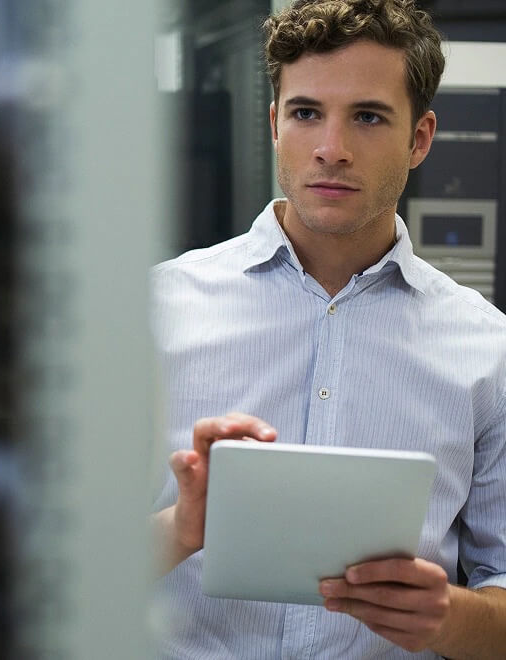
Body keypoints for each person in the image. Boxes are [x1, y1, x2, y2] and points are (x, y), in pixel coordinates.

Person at [150, 0, 506, 657]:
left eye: (368, 117)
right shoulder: (155, 312)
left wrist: (446, 616)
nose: (331, 150)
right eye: (306, 112)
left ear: (420, 139)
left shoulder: (488, 350)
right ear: (274, 124)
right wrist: (180, 528)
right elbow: (56, 572)